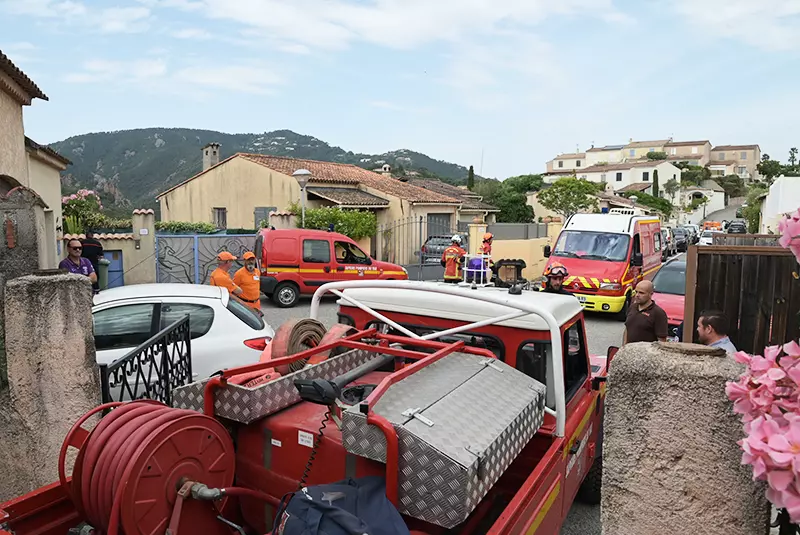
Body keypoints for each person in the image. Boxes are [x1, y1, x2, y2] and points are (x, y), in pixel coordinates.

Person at [623, 280, 668, 344]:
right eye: (636, 292)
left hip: (646, 353)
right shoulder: (632, 307)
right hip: (630, 352)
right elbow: (627, 329)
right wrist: (624, 347)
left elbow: (662, 342)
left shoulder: (658, 313)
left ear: (651, 294)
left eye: (641, 293)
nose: (637, 295)